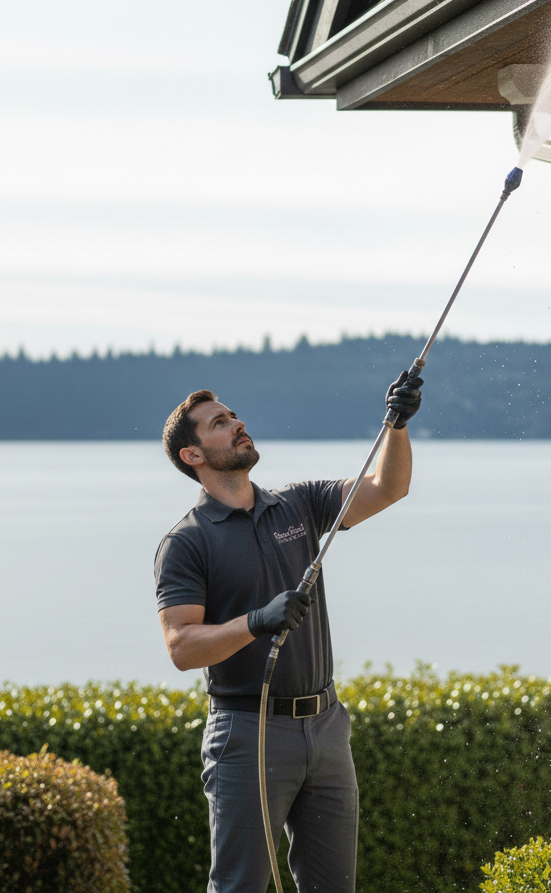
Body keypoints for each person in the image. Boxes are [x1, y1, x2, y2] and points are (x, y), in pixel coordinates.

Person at [154, 371, 423, 893]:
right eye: (219, 423)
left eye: (233, 416)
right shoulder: (186, 543)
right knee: (241, 886)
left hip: (326, 728)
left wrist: (398, 424)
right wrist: (257, 621)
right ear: (194, 456)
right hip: (247, 732)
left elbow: (388, 488)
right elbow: (181, 647)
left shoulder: (299, 503)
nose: (237, 424)